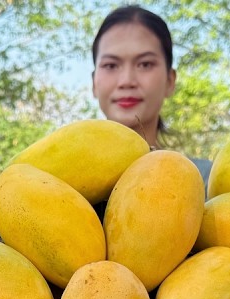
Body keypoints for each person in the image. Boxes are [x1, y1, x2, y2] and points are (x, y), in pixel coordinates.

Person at [91, 5, 214, 182]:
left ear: (170, 81)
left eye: (145, 64)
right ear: (94, 83)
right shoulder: (58, 182)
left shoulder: (206, 182)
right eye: (111, 65)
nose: (127, 81)